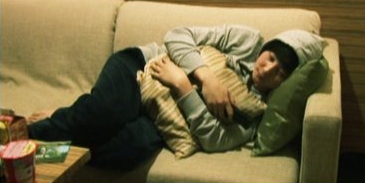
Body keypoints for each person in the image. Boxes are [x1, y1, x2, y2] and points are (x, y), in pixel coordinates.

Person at [26, 26, 324, 169]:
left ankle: (48, 145)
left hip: (161, 117)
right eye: (270, 57)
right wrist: (206, 78)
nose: (267, 69)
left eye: (280, 73)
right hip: (141, 67)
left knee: (127, 150)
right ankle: (19, 137)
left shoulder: (256, 112)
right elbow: (177, 35)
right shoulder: (246, 41)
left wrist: (183, 85)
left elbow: (214, 139)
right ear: (267, 48)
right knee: (105, 112)